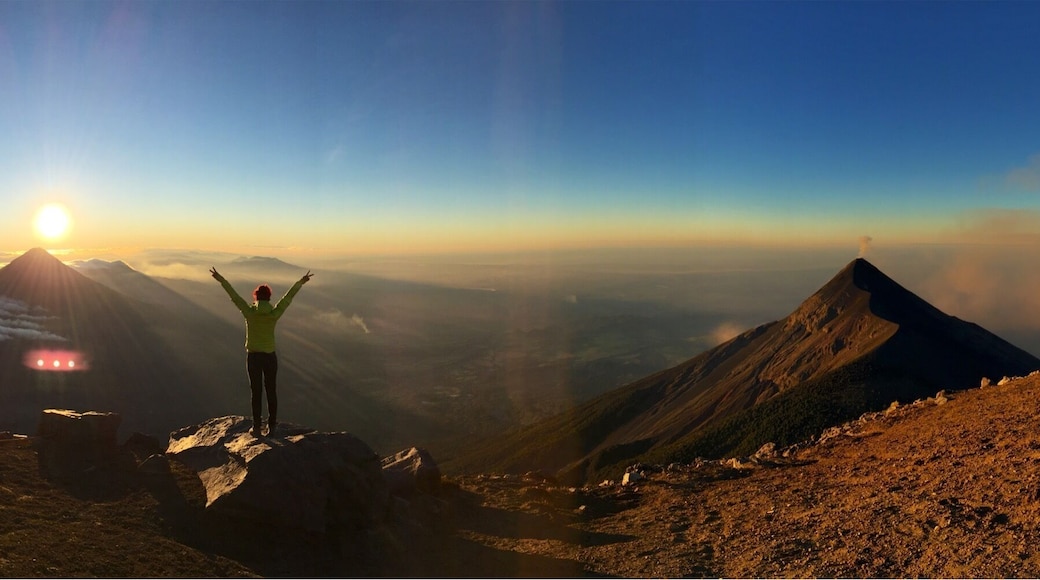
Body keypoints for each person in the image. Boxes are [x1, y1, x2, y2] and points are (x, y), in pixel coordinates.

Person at [210, 266, 313, 437]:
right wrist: (300, 282)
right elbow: (288, 298)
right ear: (269, 297)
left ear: (256, 297)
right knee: (271, 390)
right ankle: (272, 427)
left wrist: (220, 279)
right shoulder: (274, 314)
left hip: (253, 357)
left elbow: (234, 296)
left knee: (256, 392)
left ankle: (256, 427)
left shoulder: (249, 313)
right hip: (270, 357)